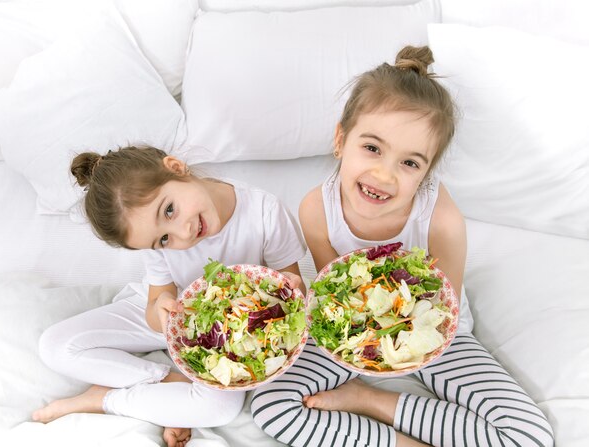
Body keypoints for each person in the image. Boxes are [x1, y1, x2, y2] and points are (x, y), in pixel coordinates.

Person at [251, 46, 554, 447]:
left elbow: (440, 310)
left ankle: (369, 401)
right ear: (341, 139)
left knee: (531, 437)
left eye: (409, 163)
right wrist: (362, 347)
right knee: (270, 405)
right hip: (352, 333)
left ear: (426, 173)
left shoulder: (441, 220)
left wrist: (380, 380)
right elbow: (335, 299)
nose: (384, 175)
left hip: (433, 333)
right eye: (372, 148)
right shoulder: (315, 210)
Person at [32, 145, 307, 447]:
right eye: (164, 239)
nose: (183, 232)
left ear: (176, 167)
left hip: (236, 331)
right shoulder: (160, 246)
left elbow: (293, 289)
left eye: (169, 210)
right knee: (55, 346)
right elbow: (155, 305)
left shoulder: (264, 211)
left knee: (220, 407)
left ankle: (106, 399)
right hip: (179, 316)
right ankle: (168, 381)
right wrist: (160, 309)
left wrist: (290, 288)